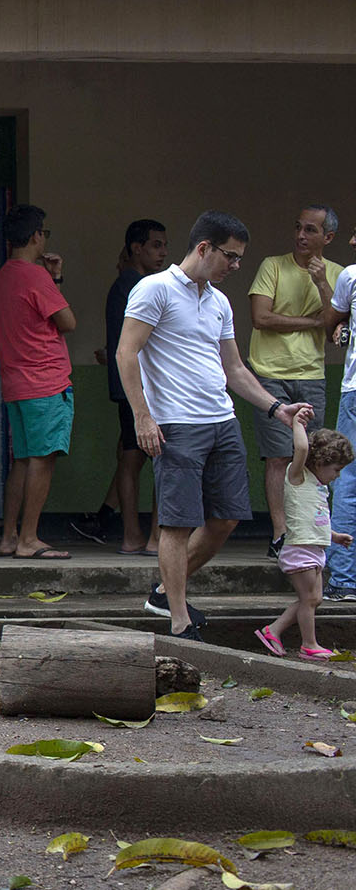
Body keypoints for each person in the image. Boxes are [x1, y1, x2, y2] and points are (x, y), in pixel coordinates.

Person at [116, 210, 306, 641]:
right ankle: (179, 620)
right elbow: (126, 354)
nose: (236, 267)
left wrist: (277, 407)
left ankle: (165, 592)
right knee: (178, 524)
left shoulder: (218, 301)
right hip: (176, 423)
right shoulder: (155, 289)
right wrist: (143, 417)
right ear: (204, 248)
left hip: (222, 420)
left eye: (240, 259)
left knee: (226, 519)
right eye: (231, 257)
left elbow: (234, 368)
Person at [246, 206, 341, 558]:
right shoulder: (273, 265)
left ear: (327, 238)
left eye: (311, 230)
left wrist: (321, 284)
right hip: (270, 371)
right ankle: (280, 533)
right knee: (278, 456)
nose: (301, 235)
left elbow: (336, 329)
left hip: (313, 373)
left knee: (315, 455)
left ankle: (307, 531)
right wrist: (312, 321)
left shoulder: (337, 274)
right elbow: (261, 318)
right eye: (298, 227)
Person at [73, 219, 168, 554]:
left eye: (164, 245)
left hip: (132, 387)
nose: (163, 253)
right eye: (155, 245)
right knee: (144, 458)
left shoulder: (127, 284)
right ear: (136, 248)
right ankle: (145, 536)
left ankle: (133, 535)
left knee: (131, 455)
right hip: (143, 388)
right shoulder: (136, 285)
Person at [0, 204, 76, 561]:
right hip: (46, 380)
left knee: (23, 460)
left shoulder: (4, 275)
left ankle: (10, 536)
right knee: (43, 459)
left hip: (17, 382)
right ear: (36, 235)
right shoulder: (33, 276)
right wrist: (53, 278)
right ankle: (29, 539)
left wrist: (51, 277)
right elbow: (67, 321)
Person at [256, 409, 353, 660]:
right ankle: (309, 644)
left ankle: (273, 630)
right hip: (300, 550)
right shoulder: (297, 476)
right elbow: (301, 449)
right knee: (309, 599)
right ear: (320, 462)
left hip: (314, 548)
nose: (337, 475)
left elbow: (311, 521)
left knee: (313, 599)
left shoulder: (319, 488)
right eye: (336, 469)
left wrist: (333, 536)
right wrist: (298, 423)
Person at [320, 232, 356, 603]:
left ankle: (345, 581)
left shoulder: (351, 276)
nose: (351, 240)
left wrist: (342, 329)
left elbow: (331, 319)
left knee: (347, 481)